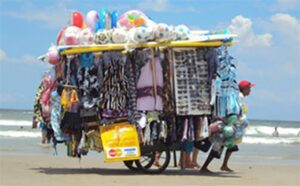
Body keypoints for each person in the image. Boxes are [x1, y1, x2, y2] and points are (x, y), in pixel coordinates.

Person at [200, 80, 255, 173]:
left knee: (230, 146)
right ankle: (205, 166)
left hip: (232, 124)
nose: (250, 90)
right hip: (230, 124)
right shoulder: (239, 97)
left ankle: (224, 165)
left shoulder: (238, 96)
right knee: (219, 145)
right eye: (249, 88)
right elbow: (236, 110)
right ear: (244, 89)